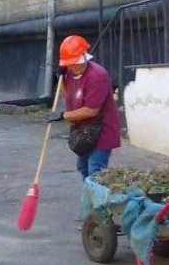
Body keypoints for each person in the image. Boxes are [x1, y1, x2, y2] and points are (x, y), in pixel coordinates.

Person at [48, 34, 121, 179]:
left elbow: (91, 110)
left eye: (74, 62)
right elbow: (69, 95)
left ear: (83, 57)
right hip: (85, 132)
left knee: (95, 170)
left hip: (102, 130)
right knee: (83, 167)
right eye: (69, 63)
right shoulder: (70, 72)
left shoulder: (96, 75)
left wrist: (63, 115)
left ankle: (97, 200)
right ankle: (92, 197)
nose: (72, 66)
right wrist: (60, 78)